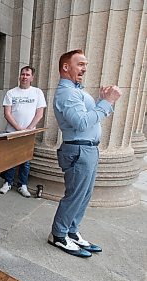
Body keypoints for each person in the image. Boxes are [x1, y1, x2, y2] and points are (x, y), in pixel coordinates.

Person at [48, 49, 121, 257]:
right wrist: (107, 103)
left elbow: (87, 117)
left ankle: (71, 230)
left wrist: (101, 101)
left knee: (85, 194)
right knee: (76, 195)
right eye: (80, 64)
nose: (84, 68)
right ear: (65, 67)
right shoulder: (66, 92)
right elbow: (80, 123)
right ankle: (59, 235)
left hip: (87, 149)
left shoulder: (76, 91)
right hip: (79, 149)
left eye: (85, 65)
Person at [0, 66, 46, 197]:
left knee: (25, 160)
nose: (24, 77)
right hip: (13, 132)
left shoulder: (37, 92)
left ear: (32, 77)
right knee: (11, 158)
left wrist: (29, 128)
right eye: (22, 74)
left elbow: (40, 113)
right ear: (19, 76)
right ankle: (8, 182)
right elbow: (7, 113)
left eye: (27, 74)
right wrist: (19, 129)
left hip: (29, 133)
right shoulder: (11, 93)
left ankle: (22, 185)